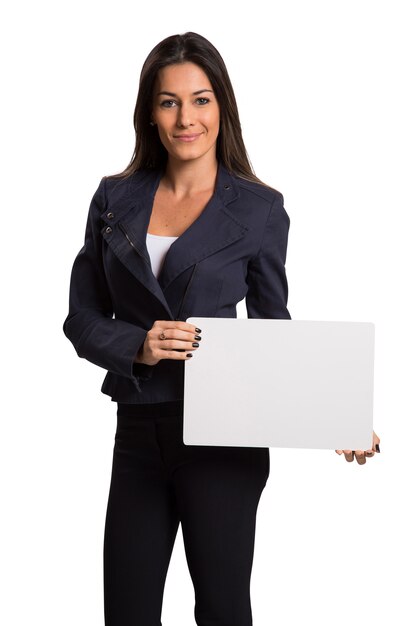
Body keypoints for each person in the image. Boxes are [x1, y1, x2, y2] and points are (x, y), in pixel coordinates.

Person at [63, 31, 381, 626]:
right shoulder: (114, 199)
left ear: (222, 108)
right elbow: (80, 319)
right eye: (169, 101)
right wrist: (138, 343)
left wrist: (336, 411)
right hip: (138, 430)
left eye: (201, 99)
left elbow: (272, 331)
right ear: (150, 114)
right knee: (126, 613)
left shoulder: (259, 209)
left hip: (224, 436)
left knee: (223, 610)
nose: (187, 117)